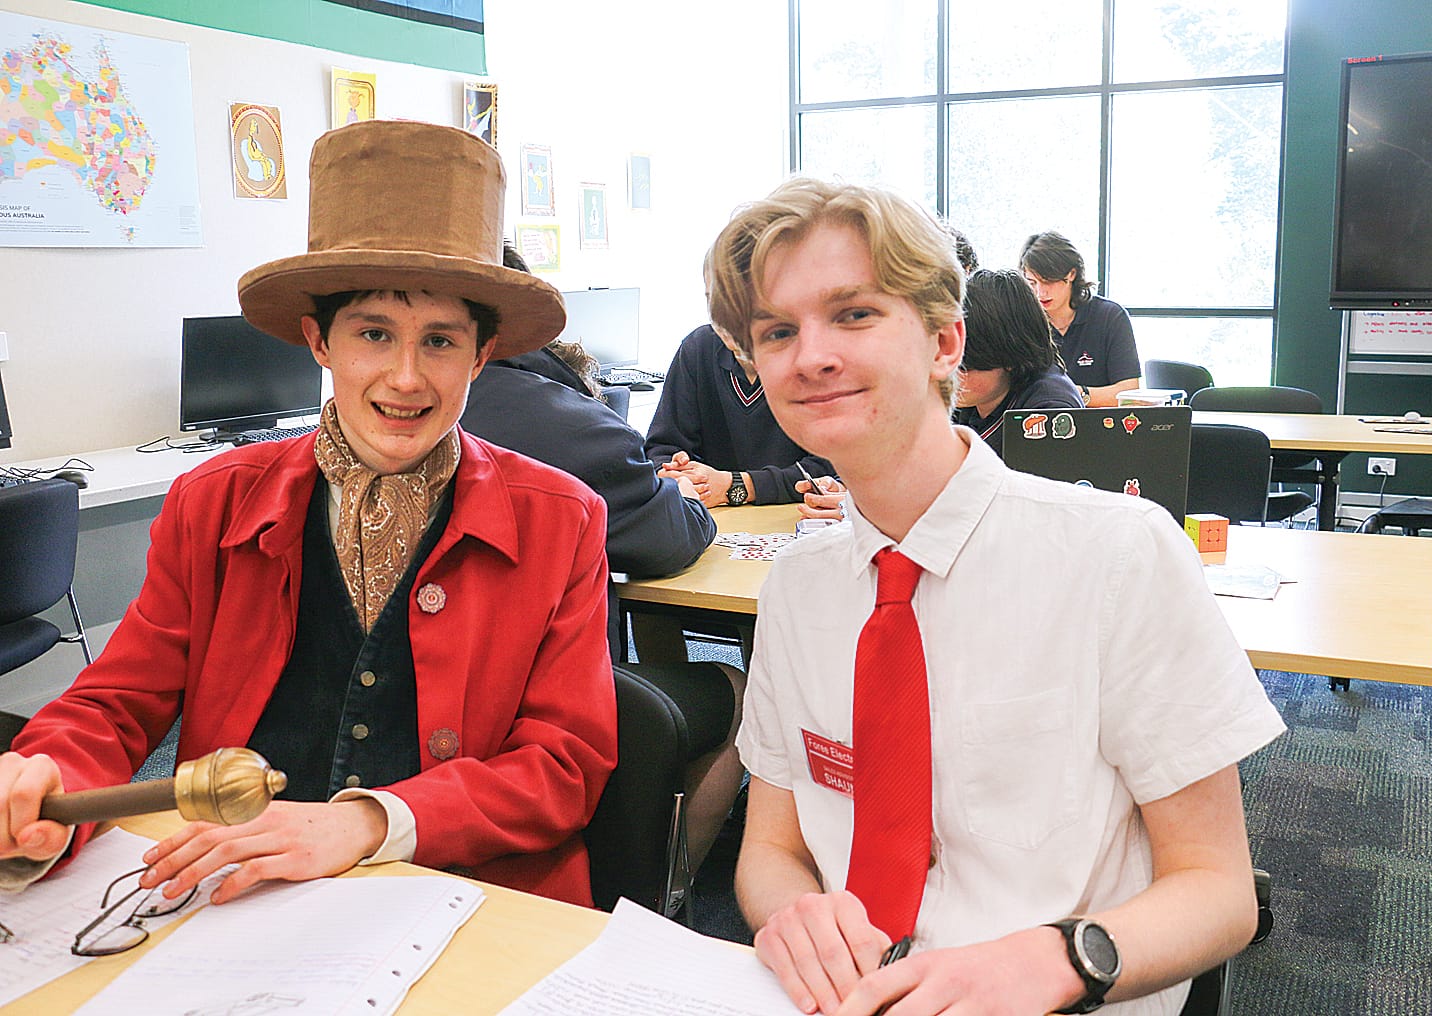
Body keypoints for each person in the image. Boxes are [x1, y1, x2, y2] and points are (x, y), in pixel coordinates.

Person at [0, 120, 618, 909]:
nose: (405, 377)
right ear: (318, 340)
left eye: (439, 341)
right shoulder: (213, 501)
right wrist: (51, 769)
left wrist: (371, 822)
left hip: (462, 896)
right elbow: (116, 702)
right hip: (238, 892)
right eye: (372, 334)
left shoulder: (561, 519)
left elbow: (565, 762)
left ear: (482, 354)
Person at [707, 178, 1285, 1016]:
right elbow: (771, 848)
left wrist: (1056, 961)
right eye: (777, 332)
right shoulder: (799, 587)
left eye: (855, 314)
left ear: (947, 342)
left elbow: (1222, 892)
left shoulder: (1117, 554)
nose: (811, 355)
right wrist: (792, 914)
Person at [461, 245, 744, 872]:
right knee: (732, 687)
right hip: (544, 715)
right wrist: (681, 490)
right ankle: (661, 900)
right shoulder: (575, 426)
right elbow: (668, 536)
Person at [646, 258, 836, 508]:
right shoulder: (698, 348)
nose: (722, 314)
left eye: (738, 300)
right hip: (714, 521)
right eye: (712, 298)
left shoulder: (812, 356)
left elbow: (831, 466)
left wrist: (736, 485)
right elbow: (661, 447)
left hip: (795, 516)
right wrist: (675, 471)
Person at [953, 268, 1084, 448]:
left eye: (963, 366)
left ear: (1009, 354)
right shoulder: (972, 399)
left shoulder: (1048, 410)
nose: (948, 376)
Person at [1020, 231, 1141, 408]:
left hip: (1100, 426)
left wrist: (1077, 395)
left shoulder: (1110, 316)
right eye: (1032, 283)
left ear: (1071, 274)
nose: (1040, 292)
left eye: (1047, 281)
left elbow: (1130, 392)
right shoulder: (1023, 321)